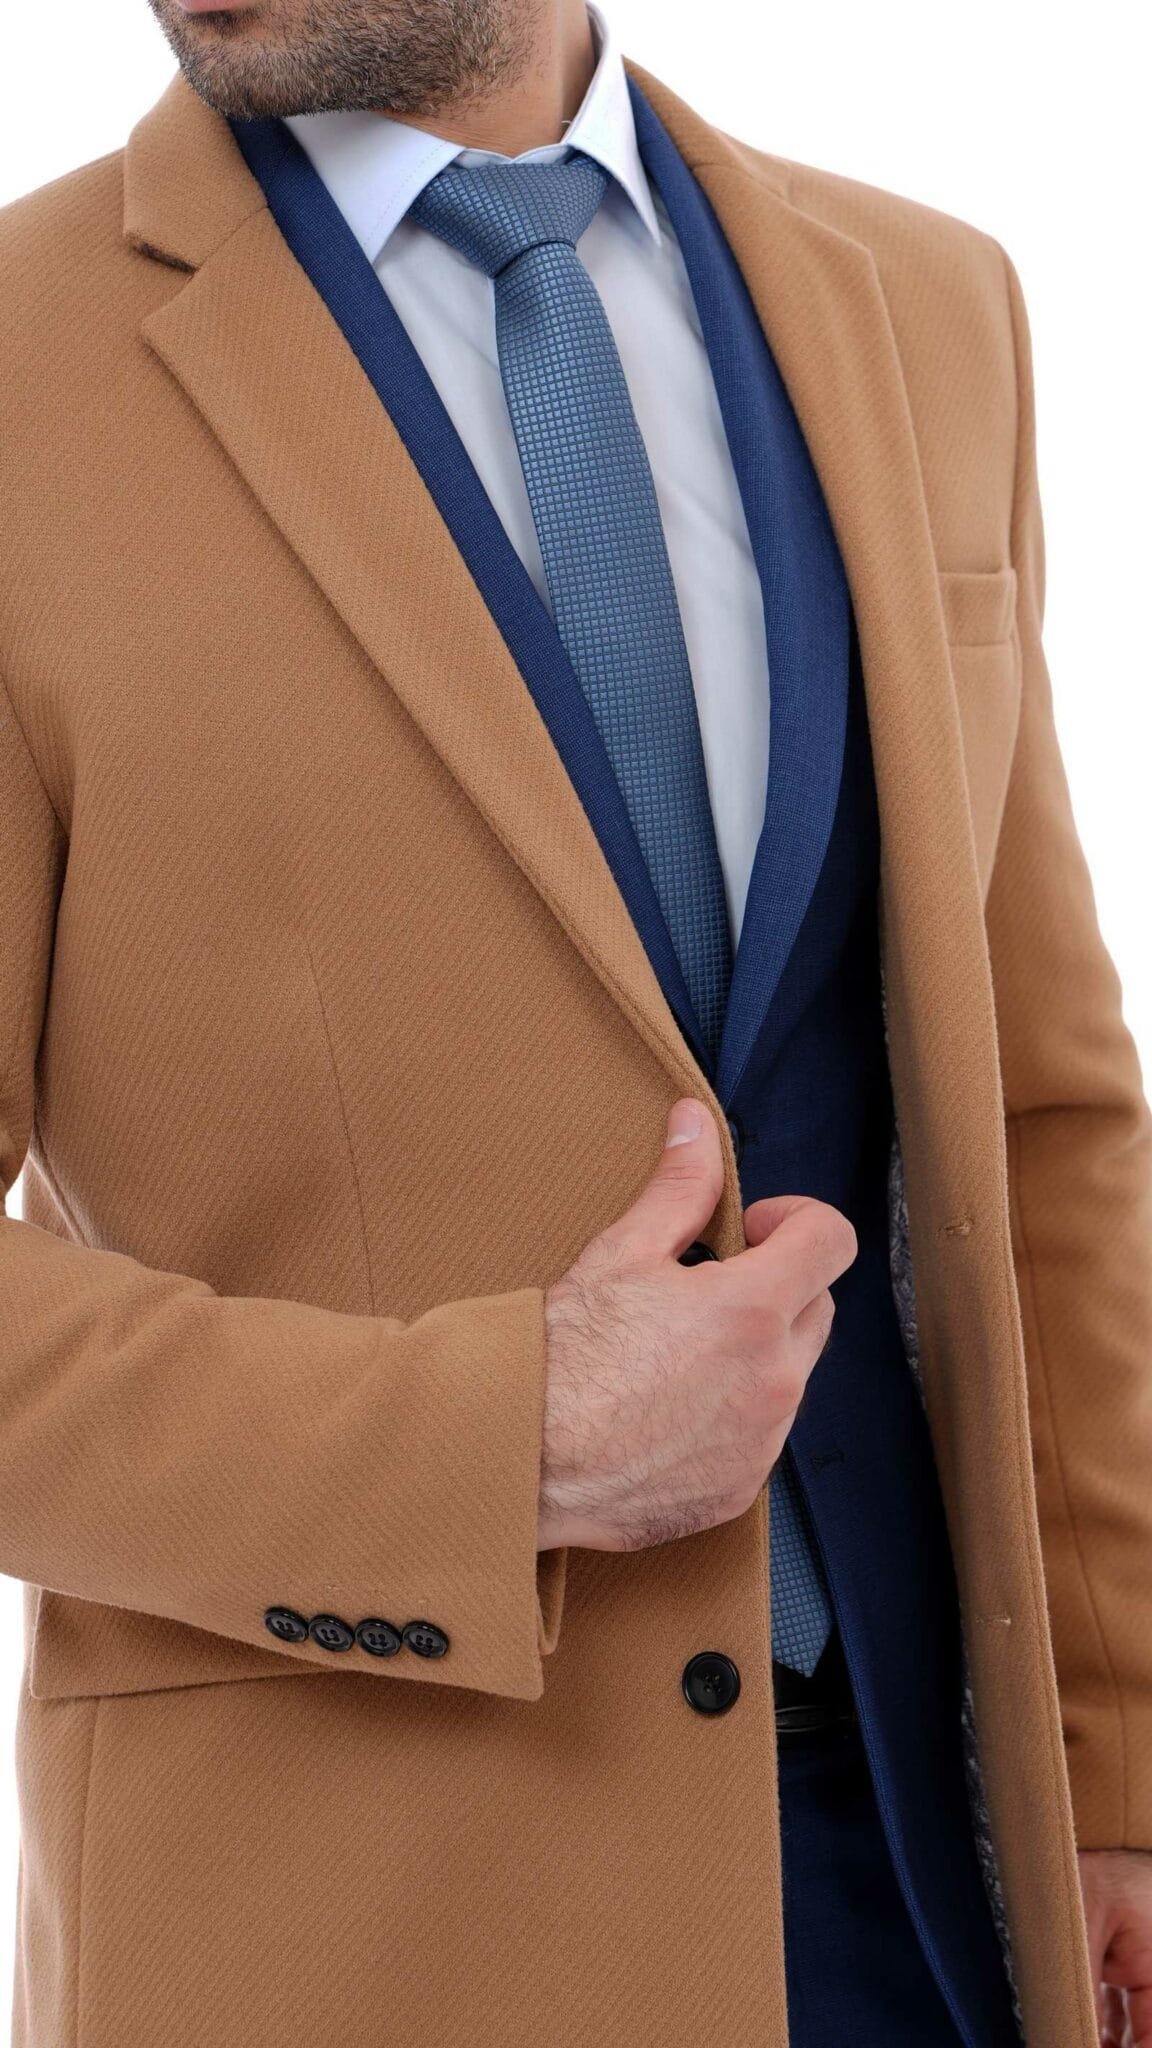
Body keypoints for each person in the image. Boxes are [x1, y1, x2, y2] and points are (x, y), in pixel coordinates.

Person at [0, 0, 1149, 2041]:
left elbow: (1042, 1112)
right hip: (354, 1932)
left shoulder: (928, 303)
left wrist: (1120, 1758)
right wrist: (497, 1443)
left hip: (934, 1895)